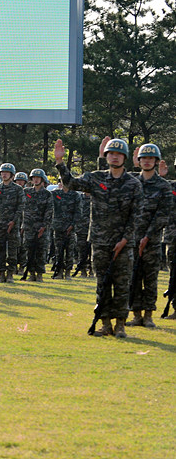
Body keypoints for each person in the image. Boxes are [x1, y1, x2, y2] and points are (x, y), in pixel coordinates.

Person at [55, 137, 143, 338]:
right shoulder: (96, 178)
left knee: (122, 285)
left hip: (123, 244)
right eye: (111, 153)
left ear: (125, 158)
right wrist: (60, 163)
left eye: (118, 154)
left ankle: (120, 324)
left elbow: (136, 216)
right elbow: (71, 183)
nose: (114, 156)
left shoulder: (133, 184)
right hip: (100, 242)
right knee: (102, 284)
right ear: (106, 156)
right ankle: (105, 323)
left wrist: (125, 239)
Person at [120, 144, 171, 328]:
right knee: (133, 277)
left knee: (150, 278)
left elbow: (163, 214)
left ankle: (149, 315)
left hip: (152, 240)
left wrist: (148, 236)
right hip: (131, 239)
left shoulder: (163, 186)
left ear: (156, 161)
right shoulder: (133, 182)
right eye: (144, 158)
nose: (147, 161)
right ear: (139, 161)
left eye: (151, 158)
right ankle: (136, 314)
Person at [0, 163, 25, 282]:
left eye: (7, 172)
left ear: (11, 175)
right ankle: (1, 273)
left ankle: (10, 273)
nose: (4, 174)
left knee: (12, 250)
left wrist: (14, 221)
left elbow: (20, 207)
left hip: (13, 224)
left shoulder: (17, 189)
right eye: (2, 172)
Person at [21, 169, 53, 281]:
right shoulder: (27, 192)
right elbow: (22, 209)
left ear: (42, 179)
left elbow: (49, 212)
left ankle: (39, 273)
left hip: (41, 227)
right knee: (29, 250)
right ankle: (31, 273)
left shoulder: (47, 194)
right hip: (29, 227)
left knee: (41, 250)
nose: (36, 179)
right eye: (34, 177)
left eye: (38, 178)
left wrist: (44, 226)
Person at [50, 181, 80, 279]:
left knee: (69, 251)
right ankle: (59, 271)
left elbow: (78, 212)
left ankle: (68, 272)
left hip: (70, 228)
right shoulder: (55, 193)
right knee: (59, 251)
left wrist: (72, 225)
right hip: (58, 227)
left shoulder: (75, 195)